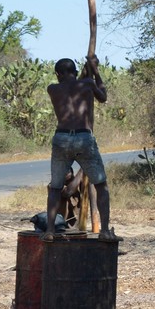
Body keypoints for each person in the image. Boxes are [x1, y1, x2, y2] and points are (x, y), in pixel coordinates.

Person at [45, 57, 111, 240]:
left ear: (58, 75)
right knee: (101, 185)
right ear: (74, 72)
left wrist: (87, 69)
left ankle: (50, 231)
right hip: (83, 137)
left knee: (55, 188)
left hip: (61, 138)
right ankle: (104, 230)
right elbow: (103, 97)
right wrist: (95, 71)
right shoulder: (88, 84)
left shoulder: (53, 89)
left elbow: (72, 86)